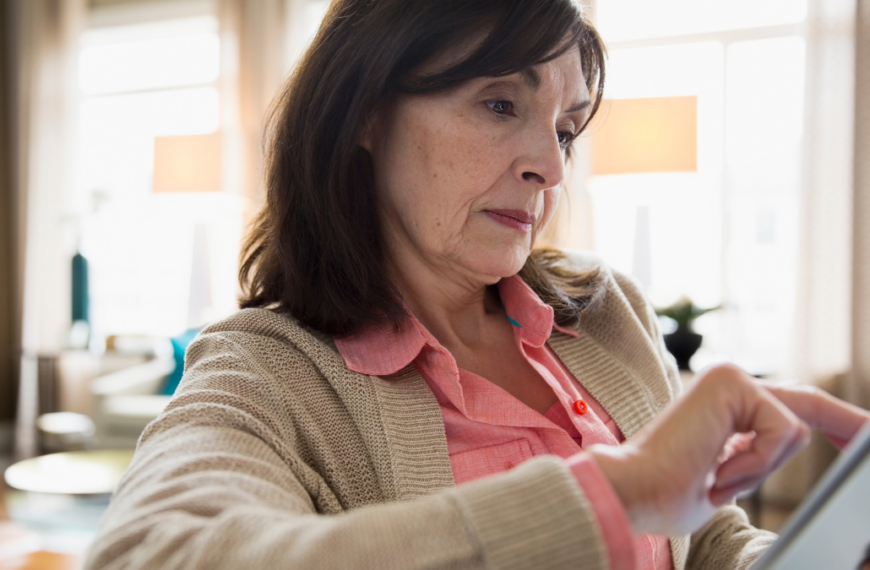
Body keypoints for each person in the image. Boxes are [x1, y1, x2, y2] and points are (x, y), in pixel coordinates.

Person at [84, 1, 870, 569]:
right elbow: (149, 555)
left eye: (566, 128)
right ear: (363, 115)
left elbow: (705, 542)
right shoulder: (265, 372)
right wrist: (619, 490)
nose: (552, 166)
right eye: (500, 103)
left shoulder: (606, 312)